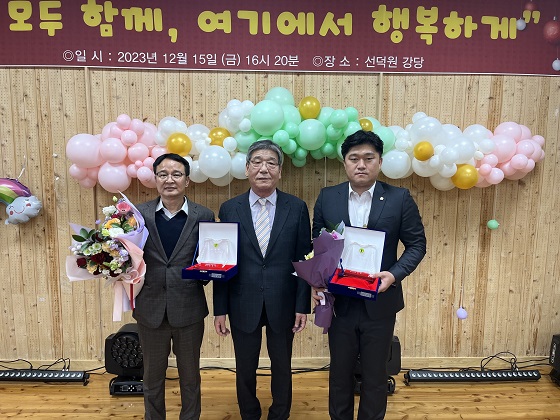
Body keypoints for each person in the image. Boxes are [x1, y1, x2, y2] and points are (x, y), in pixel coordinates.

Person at [312, 130, 426, 420]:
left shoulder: (399, 198)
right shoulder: (328, 197)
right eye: (354, 158)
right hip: (340, 303)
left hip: (380, 302)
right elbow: (318, 244)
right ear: (345, 163)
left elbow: (417, 245)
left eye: (368, 158)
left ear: (380, 162)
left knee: (376, 376)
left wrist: (394, 274)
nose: (361, 164)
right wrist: (318, 280)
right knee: (339, 374)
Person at [213, 140, 311, 420]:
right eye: (257, 162)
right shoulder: (230, 208)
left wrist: (302, 305)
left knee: (282, 365)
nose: (263, 168)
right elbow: (222, 261)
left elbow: (303, 259)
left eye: (271, 163)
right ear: (247, 169)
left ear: (280, 171)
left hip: (284, 300)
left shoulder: (297, 207)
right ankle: (249, 414)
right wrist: (220, 308)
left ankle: (280, 414)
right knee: (245, 367)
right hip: (242, 300)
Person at [133, 153, 215, 420]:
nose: (170, 180)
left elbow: (210, 256)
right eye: (163, 174)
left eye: (176, 174)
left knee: (190, 377)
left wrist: (210, 271)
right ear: (155, 179)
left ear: (187, 181)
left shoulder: (204, 215)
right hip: (150, 308)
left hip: (189, 309)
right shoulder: (138, 214)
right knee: (152, 377)